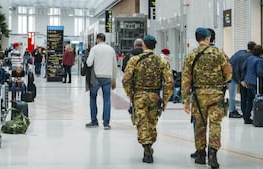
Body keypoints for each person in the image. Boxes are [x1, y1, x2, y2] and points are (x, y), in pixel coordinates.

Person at [182, 27, 232, 169]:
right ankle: (213, 154)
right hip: (216, 95)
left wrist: (185, 100)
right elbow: (228, 74)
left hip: (198, 96)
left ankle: (200, 154)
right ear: (208, 38)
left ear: (198, 39)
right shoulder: (219, 53)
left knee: (199, 124)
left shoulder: (191, 55)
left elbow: (186, 79)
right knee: (215, 124)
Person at [122, 34, 173, 163]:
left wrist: (130, 94)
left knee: (141, 122)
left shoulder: (134, 60)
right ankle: (149, 144)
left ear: (143, 45)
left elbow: (125, 79)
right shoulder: (161, 61)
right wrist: (165, 99)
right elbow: (169, 82)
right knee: (152, 122)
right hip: (154, 96)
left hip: (139, 96)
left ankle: (146, 147)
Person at [85, 33, 117, 130]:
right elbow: (114, 65)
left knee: (92, 98)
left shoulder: (94, 49)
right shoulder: (111, 49)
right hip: (107, 77)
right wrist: (114, 80)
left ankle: (94, 121)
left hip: (96, 77)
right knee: (107, 99)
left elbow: (89, 62)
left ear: (97, 39)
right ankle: (106, 123)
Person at [240, 45, 263, 124]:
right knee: (258, 101)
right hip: (256, 83)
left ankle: (246, 118)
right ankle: (259, 117)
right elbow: (259, 72)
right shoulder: (259, 60)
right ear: (261, 52)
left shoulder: (249, 58)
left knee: (249, 100)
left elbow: (243, 67)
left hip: (248, 82)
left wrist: (244, 78)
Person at [229, 41, 256, 119]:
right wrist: (241, 80)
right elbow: (242, 69)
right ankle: (232, 111)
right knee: (233, 94)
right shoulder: (248, 56)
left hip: (230, 72)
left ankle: (233, 110)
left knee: (233, 94)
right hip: (233, 74)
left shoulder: (240, 52)